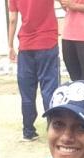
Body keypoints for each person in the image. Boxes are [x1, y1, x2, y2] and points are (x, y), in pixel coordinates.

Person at [8, 0, 61, 142]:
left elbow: (12, 19)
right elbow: (65, 4)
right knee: (50, 90)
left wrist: (10, 45)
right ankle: (55, 129)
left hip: (26, 46)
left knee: (27, 92)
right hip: (48, 42)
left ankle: (28, 131)